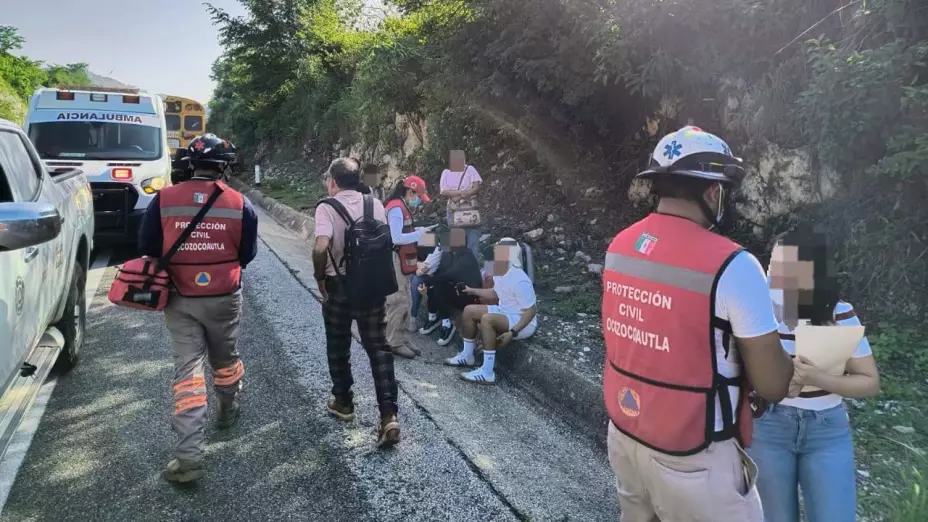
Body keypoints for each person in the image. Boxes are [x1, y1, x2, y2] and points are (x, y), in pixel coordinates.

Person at [601, 125, 794, 521]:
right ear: (712, 192)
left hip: (625, 435)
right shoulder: (734, 265)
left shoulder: (620, 246)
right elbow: (774, 384)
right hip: (697, 456)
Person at [138, 133, 257, 483]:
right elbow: (247, 254)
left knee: (188, 372)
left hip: (179, 297)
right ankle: (228, 408)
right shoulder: (239, 203)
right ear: (223, 168)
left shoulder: (164, 199)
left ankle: (188, 456)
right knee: (225, 358)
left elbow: (148, 246)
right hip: (224, 296)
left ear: (189, 165)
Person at [749, 226, 880, 522]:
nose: (776, 272)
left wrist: (817, 378)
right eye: (774, 262)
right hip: (768, 427)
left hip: (826, 431)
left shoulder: (840, 313)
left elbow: (870, 382)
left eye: (786, 264)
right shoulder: (757, 311)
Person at [312, 158, 401, 448]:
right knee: (379, 349)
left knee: (338, 345)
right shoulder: (373, 203)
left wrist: (320, 278)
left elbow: (321, 245)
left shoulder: (327, 206)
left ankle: (343, 402)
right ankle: (388, 415)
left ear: (333, 182)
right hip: (373, 288)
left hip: (339, 288)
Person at [447, 238, 538, 384]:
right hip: (505, 311)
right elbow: (496, 293)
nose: (495, 250)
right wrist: (472, 291)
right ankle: (467, 356)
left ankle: (487, 372)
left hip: (522, 321)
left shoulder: (520, 279)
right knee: (469, 311)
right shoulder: (499, 270)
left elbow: (531, 311)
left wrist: (513, 332)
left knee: (487, 319)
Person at [384, 175, 434, 359]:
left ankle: (402, 338)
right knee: (398, 300)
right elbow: (396, 238)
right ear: (410, 191)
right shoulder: (397, 208)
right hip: (394, 258)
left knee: (407, 299)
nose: (419, 200)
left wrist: (417, 232)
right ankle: (393, 342)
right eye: (418, 196)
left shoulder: (402, 206)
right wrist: (419, 234)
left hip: (402, 259)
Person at [417, 228, 483, 346]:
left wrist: (427, 283)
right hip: (458, 289)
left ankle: (447, 323)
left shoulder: (466, 257)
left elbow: (450, 275)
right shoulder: (453, 254)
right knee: (435, 284)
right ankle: (433, 317)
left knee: (439, 286)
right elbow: (442, 274)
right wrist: (427, 283)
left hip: (469, 297)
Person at [439, 150, 483, 259]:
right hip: (454, 210)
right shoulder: (446, 172)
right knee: (457, 243)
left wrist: (459, 196)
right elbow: (443, 191)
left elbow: (476, 187)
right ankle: (460, 268)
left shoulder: (470, 169)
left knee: (473, 241)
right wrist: (462, 193)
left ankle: (472, 269)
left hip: (469, 208)